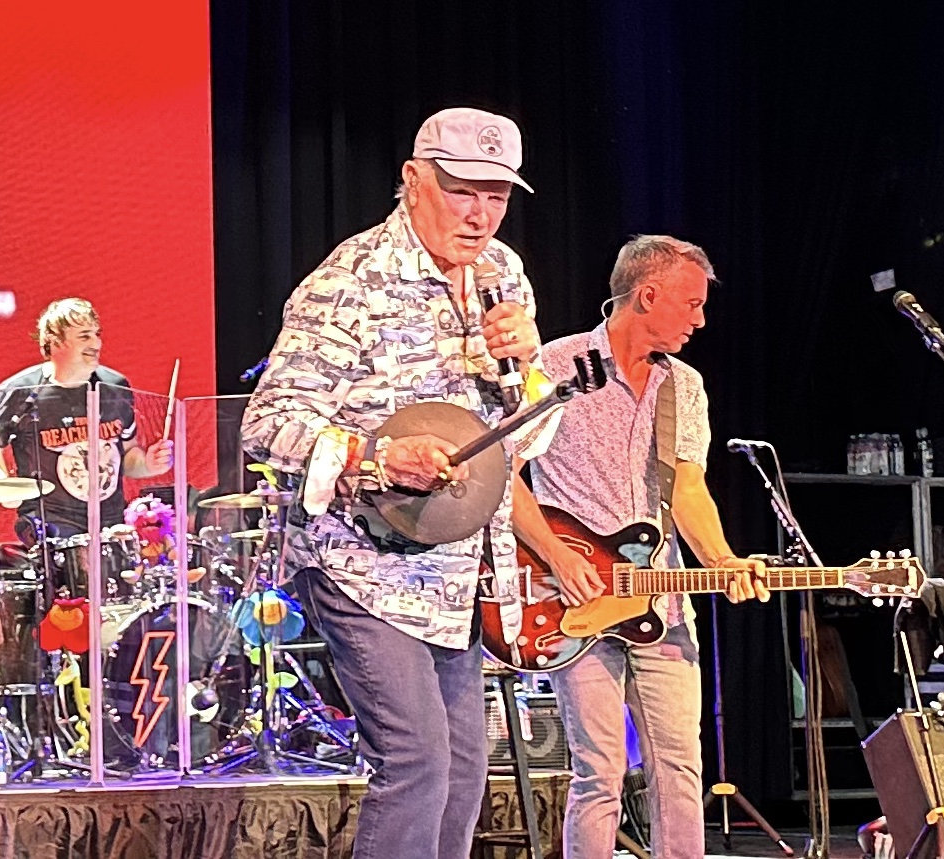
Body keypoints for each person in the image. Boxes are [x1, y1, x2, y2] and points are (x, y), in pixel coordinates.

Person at [241, 107, 560, 859]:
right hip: (361, 565)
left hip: (456, 574)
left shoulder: (502, 273)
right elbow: (269, 420)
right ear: (413, 181)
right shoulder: (350, 281)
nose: (481, 216)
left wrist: (527, 366)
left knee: (463, 769)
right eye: (461, 193)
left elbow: (523, 428)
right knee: (415, 762)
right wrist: (378, 460)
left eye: (497, 196)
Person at [512, 235, 770, 859]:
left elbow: (688, 489)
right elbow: (503, 474)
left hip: (662, 600)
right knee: (598, 771)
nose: (700, 320)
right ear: (647, 295)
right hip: (574, 599)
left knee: (681, 768)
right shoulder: (556, 364)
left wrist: (725, 561)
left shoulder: (684, 386)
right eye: (691, 303)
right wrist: (556, 554)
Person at [0, 297, 173, 547]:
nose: (96, 343)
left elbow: (128, 456)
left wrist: (149, 464)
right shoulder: (21, 390)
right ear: (55, 341)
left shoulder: (115, 386)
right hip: (48, 525)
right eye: (84, 336)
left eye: (97, 334)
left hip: (109, 523)